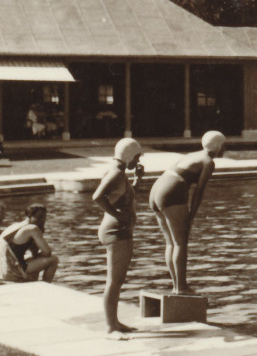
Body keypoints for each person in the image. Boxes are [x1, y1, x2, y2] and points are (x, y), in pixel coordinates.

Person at [149, 130, 225, 294]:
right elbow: (199, 191)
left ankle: (176, 286)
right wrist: (191, 216)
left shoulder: (194, 155)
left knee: (171, 243)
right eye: (224, 145)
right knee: (180, 242)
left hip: (156, 190)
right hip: (170, 192)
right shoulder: (208, 162)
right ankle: (181, 287)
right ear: (218, 146)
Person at [93, 138, 144, 333]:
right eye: (137, 157)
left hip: (120, 231)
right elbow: (97, 197)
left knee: (117, 280)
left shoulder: (120, 173)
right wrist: (118, 216)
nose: (137, 161)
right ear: (129, 155)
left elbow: (125, 197)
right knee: (114, 281)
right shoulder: (115, 173)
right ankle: (111, 326)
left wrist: (137, 180)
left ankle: (114, 322)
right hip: (116, 231)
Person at [0, 205, 59, 282]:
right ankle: (46, 286)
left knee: (34, 258)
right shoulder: (32, 228)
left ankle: (33, 282)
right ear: (30, 216)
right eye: (39, 217)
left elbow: (34, 252)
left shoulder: (16, 225)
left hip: (1, 268)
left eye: (44, 217)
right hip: (12, 270)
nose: (43, 220)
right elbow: (47, 252)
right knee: (53, 259)